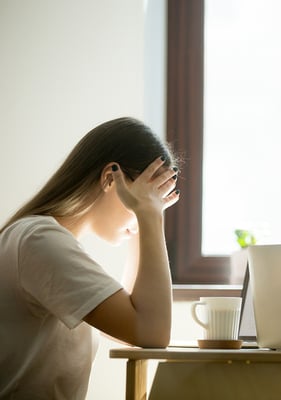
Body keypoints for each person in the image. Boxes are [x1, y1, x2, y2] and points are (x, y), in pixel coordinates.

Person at [0, 117, 180, 399]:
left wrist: (145, 220)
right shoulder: (39, 240)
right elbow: (151, 332)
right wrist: (147, 216)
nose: (150, 208)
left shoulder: (44, 239)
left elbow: (136, 330)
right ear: (111, 177)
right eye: (149, 196)